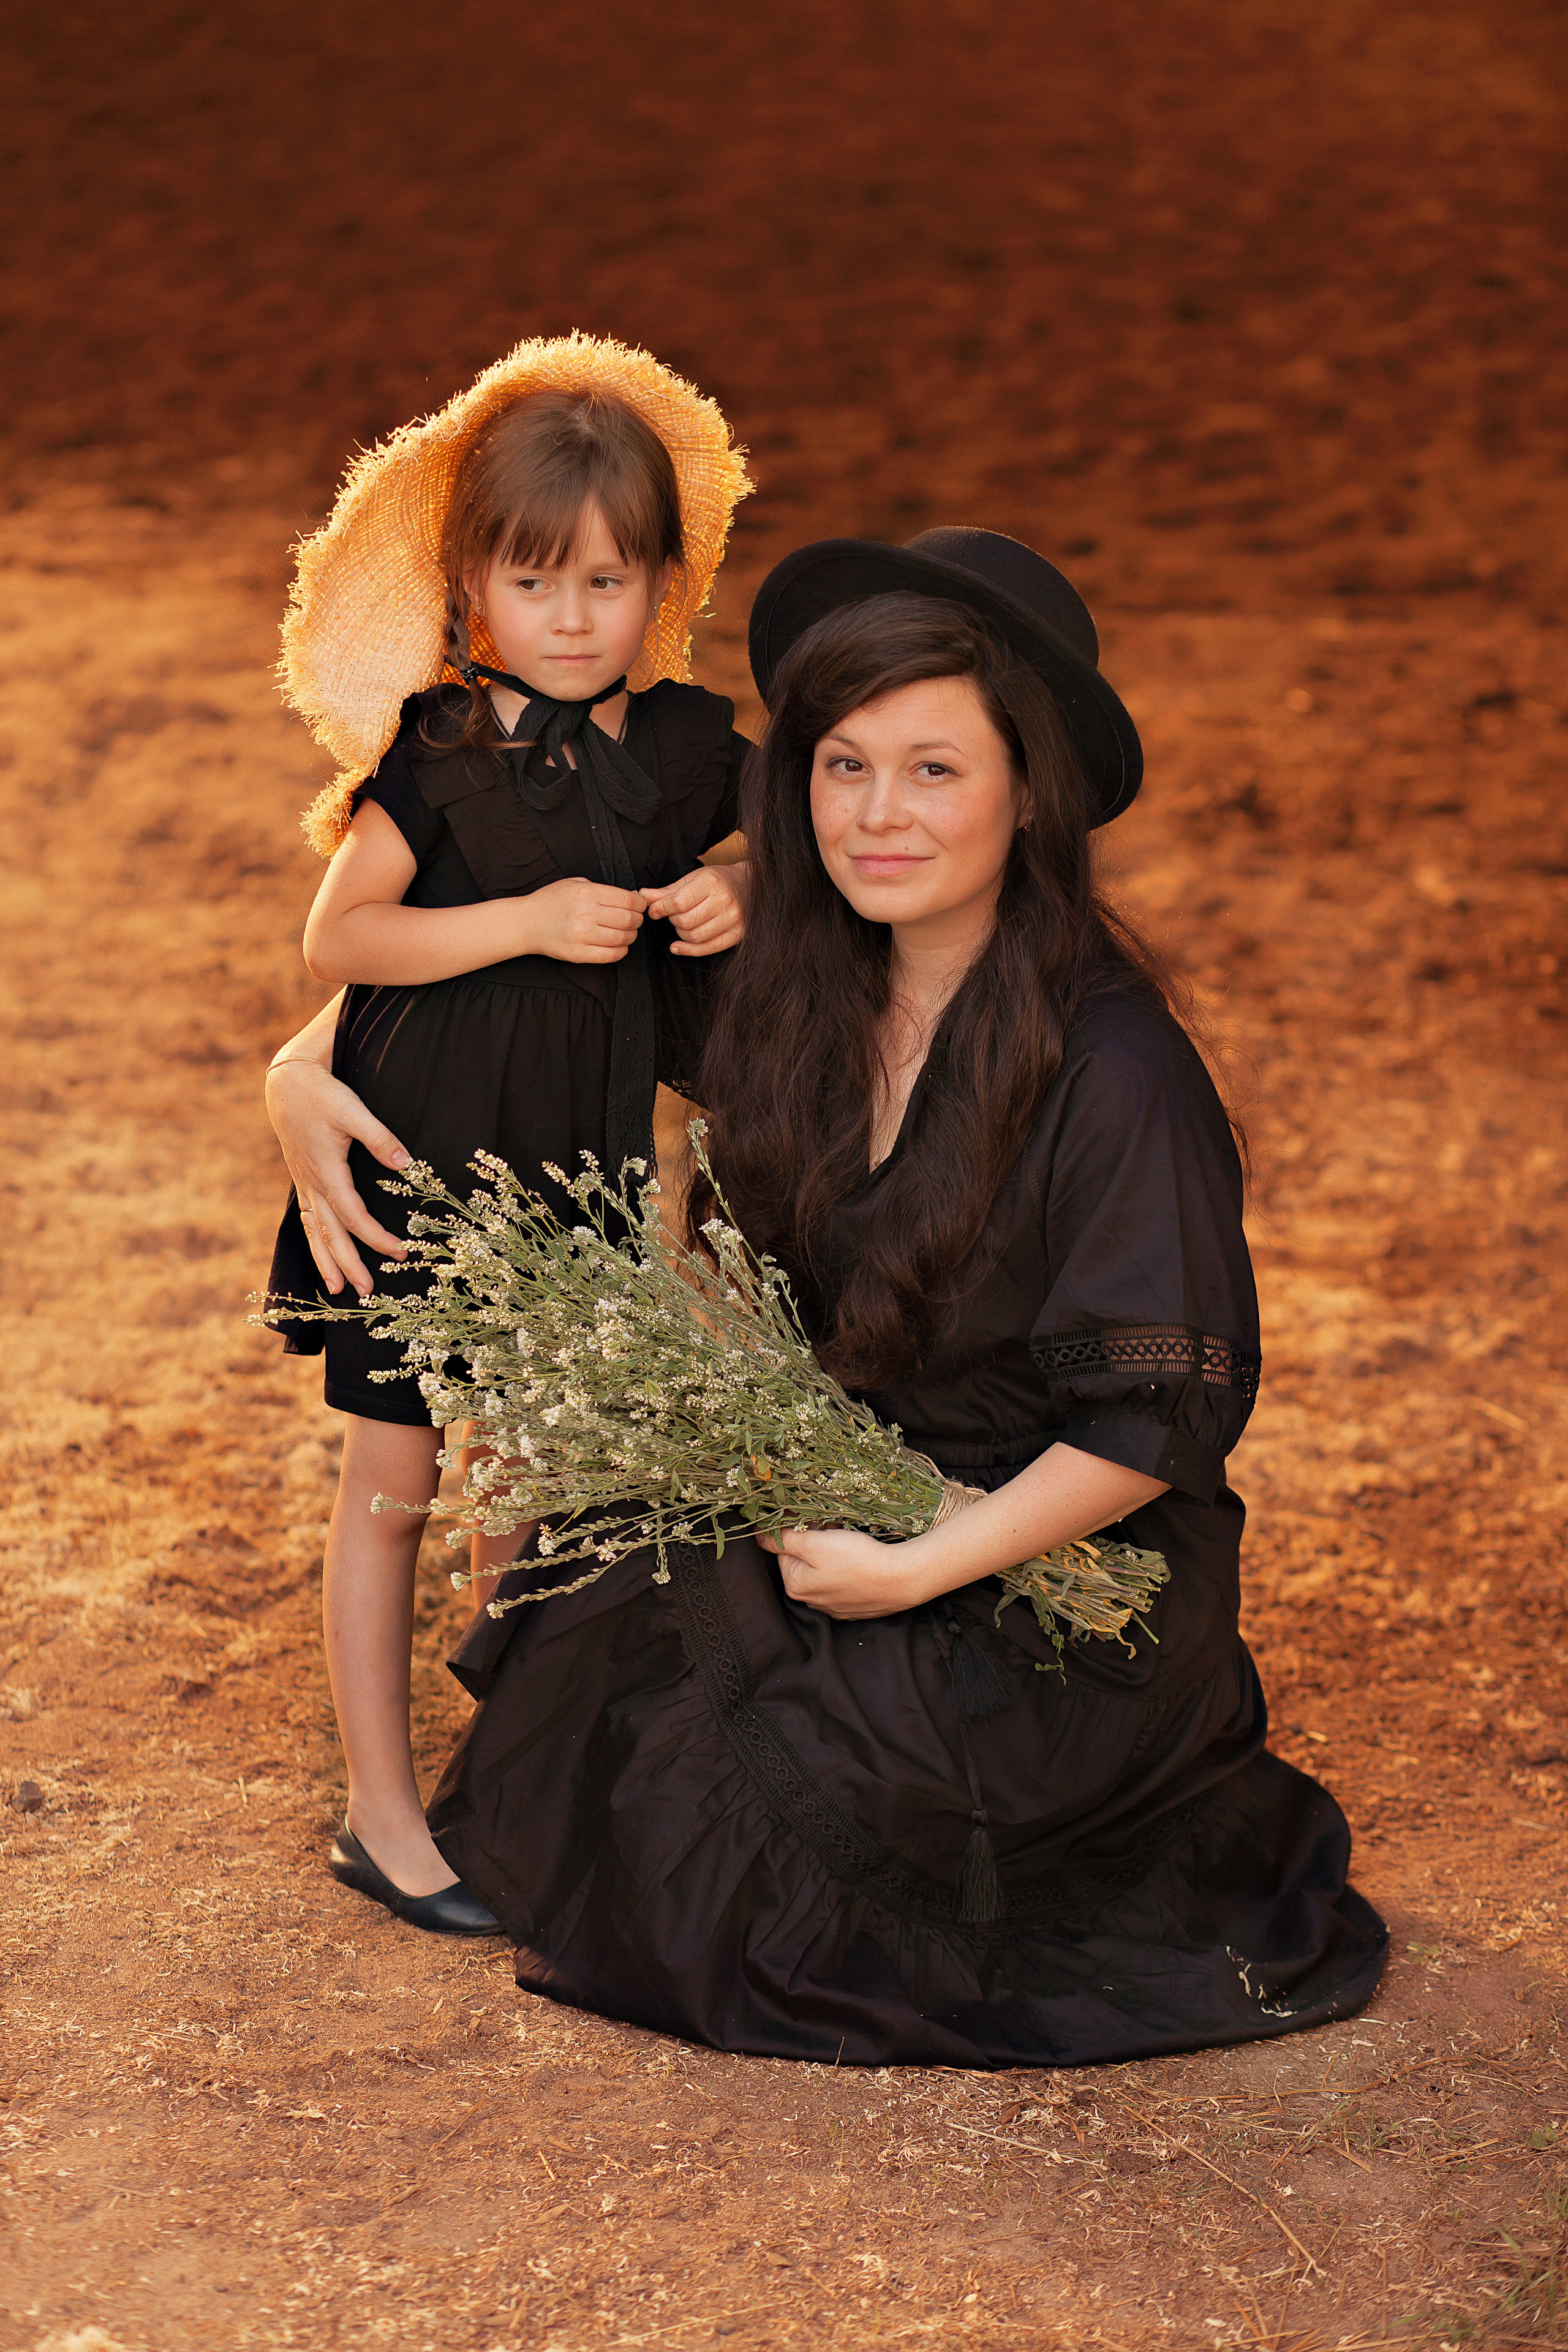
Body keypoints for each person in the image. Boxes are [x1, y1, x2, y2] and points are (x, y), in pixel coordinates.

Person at [277, 527, 1389, 2068]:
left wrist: (922, 1563)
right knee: (606, 1683)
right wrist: (300, 1063)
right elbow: (506, 961)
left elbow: (1152, 1427)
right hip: (844, 1499)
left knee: (766, 1867)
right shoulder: (795, 981)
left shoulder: (1116, 1068)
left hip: (1044, 1559)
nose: (877, 816)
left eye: (934, 772)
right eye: (842, 765)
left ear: (1025, 788)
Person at [262, 336, 753, 1936]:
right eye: (534, 582)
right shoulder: (446, 751)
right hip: (422, 1165)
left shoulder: (683, 754)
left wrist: (739, 885)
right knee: (397, 1482)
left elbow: (809, 841)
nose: (569, 616)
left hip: (582, 1170)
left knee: (534, 1477)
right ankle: (385, 1816)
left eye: (607, 582)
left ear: (662, 584)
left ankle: (514, 1780)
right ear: (474, 583)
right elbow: (345, 942)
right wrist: (527, 920)